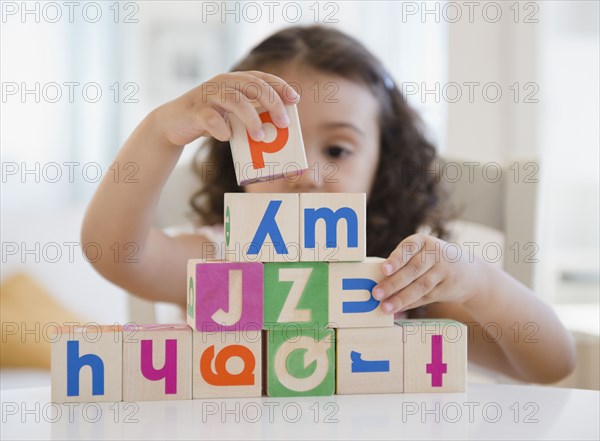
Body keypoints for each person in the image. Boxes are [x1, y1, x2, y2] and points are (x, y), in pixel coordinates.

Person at [81, 25, 575, 383]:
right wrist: (160, 132)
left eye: (337, 149)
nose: (305, 172)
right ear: (236, 157)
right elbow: (114, 252)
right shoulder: (222, 261)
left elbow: (551, 364)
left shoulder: (400, 274)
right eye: (272, 142)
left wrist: (481, 282)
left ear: (382, 162)